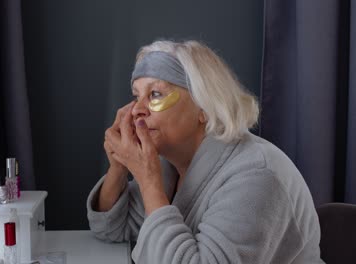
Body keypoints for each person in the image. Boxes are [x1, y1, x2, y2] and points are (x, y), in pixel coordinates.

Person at [86, 40, 324, 264]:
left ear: (205, 108)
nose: (137, 109)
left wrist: (149, 183)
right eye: (136, 96)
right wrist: (119, 166)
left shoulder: (258, 176)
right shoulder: (172, 166)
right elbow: (111, 227)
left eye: (155, 94)